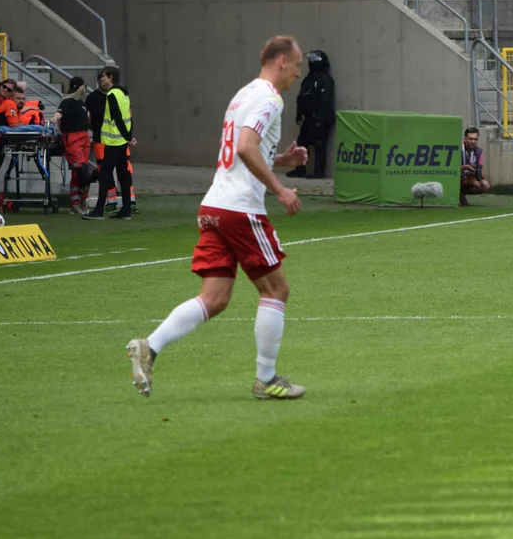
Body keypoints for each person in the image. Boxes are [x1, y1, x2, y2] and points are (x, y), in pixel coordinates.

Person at [125, 35, 309, 400]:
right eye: (297, 65)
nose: (298, 74)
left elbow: (240, 150)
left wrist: (281, 161)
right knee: (276, 290)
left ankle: (150, 346)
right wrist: (280, 189)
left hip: (213, 206)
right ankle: (266, 379)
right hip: (240, 207)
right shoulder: (270, 98)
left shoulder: (242, 95)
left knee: (215, 297)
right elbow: (244, 146)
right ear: (281, 62)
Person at [82, 67, 135, 220]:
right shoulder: (124, 94)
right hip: (121, 142)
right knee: (123, 175)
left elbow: (117, 118)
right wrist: (128, 136)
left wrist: (126, 136)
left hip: (112, 141)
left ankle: (98, 210)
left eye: (103, 77)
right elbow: (129, 117)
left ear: (111, 78)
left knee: (105, 175)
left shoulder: (112, 95)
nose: (100, 79)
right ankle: (126, 209)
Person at [287, 49, 335, 179]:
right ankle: (300, 169)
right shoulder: (308, 79)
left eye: (313, 62)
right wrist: (299, 113)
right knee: (301, 142)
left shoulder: (325, 80)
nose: (310, 64)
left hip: (321, 118)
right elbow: (301, 97)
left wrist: (320, 117)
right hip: (309, 117)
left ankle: (319, 172)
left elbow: (326, 100)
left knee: (319, 143)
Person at [55, 77, 92, 214]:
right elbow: (60, 113)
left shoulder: (81, 103)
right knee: (80, 171)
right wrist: (55, 118)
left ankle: (79, 202)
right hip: (73, 138)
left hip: (84, 137)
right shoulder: (67, 102)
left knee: (81, 172)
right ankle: (78, 201)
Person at [459, 126, 490, 206]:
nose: (473, 141)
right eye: (470, 139)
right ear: (465, 138)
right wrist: (464, 167)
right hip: (455, 177)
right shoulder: (457, 148)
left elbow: (482, 172)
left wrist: (480, 177)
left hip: (469, 178)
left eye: (475, 139)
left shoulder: (478, 151)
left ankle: (461, 194)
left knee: (485, 185)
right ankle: (459, 194)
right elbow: (450, 169)